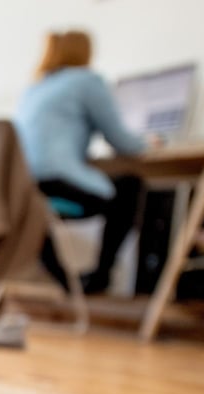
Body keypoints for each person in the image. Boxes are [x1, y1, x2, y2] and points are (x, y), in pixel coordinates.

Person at [14, 30, 152, 294]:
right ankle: (101, 276)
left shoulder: (34, 89)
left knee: (40, 214)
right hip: (57, 182)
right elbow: (121, 140)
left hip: (25, 187)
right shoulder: (86, 81)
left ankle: (66, 280)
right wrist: (150, 143)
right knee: (130, 187)